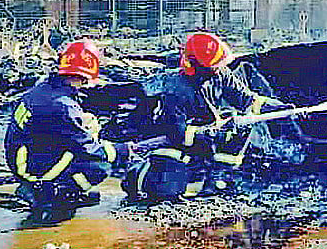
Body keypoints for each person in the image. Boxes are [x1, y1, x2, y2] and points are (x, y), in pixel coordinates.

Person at [121, 31, 291, 201]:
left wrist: (279, 108)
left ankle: (217, 177)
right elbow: (178, 133)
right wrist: (208, 134)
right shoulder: (176, 90)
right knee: (168, 185)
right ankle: (155, 176)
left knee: (240, 130)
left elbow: (246, 99)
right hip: (179, 142)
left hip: (208, 137)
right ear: (196, 66)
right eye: (213, 66)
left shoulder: (221, 74)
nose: (218, 69)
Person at [5, 38, 143, 222]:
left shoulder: (45, 89)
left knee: (87, 148)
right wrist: (123, 150)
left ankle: (40, 187)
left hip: (23, 159)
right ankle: (55, 195)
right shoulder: (63, 106)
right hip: (32, 166)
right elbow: (89, 149)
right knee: (100, 165)